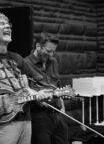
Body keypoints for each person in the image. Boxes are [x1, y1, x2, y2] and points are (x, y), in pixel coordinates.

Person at [0, 13, 49, 144]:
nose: (7, 26)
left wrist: (38, 94)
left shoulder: (17, 58)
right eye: (1, 23)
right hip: (3, 124)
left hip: (25, 120)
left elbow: (25, 89)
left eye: (8, 24)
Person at [24, 32, 68, 144]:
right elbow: (23, 90)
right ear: (38, 46)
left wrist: (62, 111)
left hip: (57, 113)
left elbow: (57, 87)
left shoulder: (54, 61)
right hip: (39, 116)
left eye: (53, 51)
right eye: (48, 51)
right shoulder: (25, 63)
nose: (51, 54)